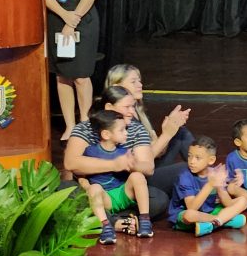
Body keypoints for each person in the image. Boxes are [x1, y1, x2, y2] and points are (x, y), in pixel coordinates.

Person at [64, 86, 170, 226]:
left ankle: (108, 219)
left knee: (158, 199)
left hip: (123, 192)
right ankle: (117, 221)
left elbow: (148, 167)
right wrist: (114, 164)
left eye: (133, 107)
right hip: (95, 191)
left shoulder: (136, 129)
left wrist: (131, 164)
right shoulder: (85, 128)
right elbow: (71, 163)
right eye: (127, 107)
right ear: (109, 107)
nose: (132, 112)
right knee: (65, 192)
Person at [41, 0, 106, 140]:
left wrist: (74, 18)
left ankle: (84, 123)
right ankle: (70, 125)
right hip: (58, 21)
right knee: (62, 75)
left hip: (84, 22)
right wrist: (64, 16)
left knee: (80, 75)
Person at [105, 64, 193, 194]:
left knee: (181, 133)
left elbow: (157, 152)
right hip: (137, 177)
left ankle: (211, 178)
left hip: (151, 166)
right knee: (189, 167)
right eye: (133, 81)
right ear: (116, 86)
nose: (140, 85)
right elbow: (142, 162)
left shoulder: (137, 112)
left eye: (139, 80)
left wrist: (170, 128)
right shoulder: (120, 119)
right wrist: (166, 135)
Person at [81, 110, 153, 244]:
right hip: (105, 197)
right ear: (106, 134)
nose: (126, 133)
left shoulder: (125, 151)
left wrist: (132, 164)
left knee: (137, 176)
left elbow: (137, 169)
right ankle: (106, 227)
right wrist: (87, 187)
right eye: (121, 130)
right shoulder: (90, 151)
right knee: (95, 188)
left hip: (122, 193)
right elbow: (81, 175)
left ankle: (144, 220)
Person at [167, 136, 247, 237]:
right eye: (189, 156)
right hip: (187, 214)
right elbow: (192, 207)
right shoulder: (185, 177)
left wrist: (219, 186)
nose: (192, 161)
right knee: (189, 215)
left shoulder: (214, 173)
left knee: (243, 201)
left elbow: (227, 203)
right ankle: (222, 220)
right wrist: (210, 185)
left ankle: (213, 223)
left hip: (209, 211)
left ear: (211, 160)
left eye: (198, 158)